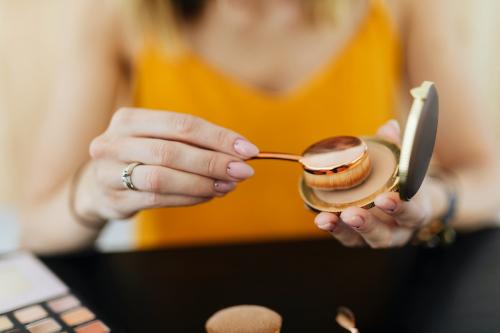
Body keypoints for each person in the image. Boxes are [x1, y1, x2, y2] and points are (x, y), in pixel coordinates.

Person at [20, 0, 500, 253]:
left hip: (376, 299)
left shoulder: (405, 5)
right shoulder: (116, 15)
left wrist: (432, 205)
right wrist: (96, 195)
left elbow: (490, 181)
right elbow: (37, 228)